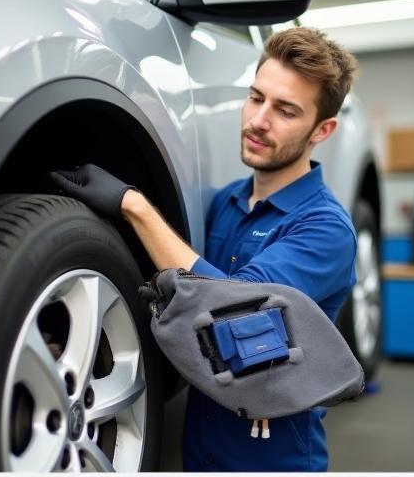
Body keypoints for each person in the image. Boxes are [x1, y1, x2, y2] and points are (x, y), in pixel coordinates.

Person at [51, 26, 360, 472]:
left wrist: (134, 206)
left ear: (323, 129)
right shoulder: (226, 203)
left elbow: (234, 308)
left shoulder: (325, 228)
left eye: (286, 111)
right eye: (256, 98)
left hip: (271, 460)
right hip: (199, 454)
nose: (259, 120)